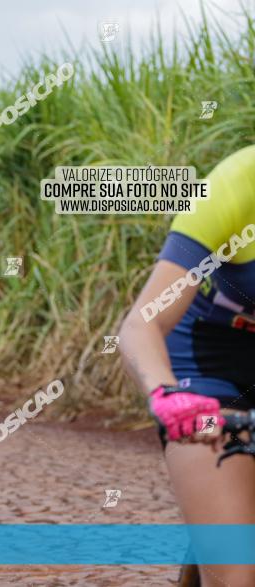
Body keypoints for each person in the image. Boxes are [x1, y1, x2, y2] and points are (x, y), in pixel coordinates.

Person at [119, 145, 255, 587]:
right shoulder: (237, 183)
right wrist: (169, 396)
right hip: (206, 362)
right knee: (238, 575)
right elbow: (142, 324)